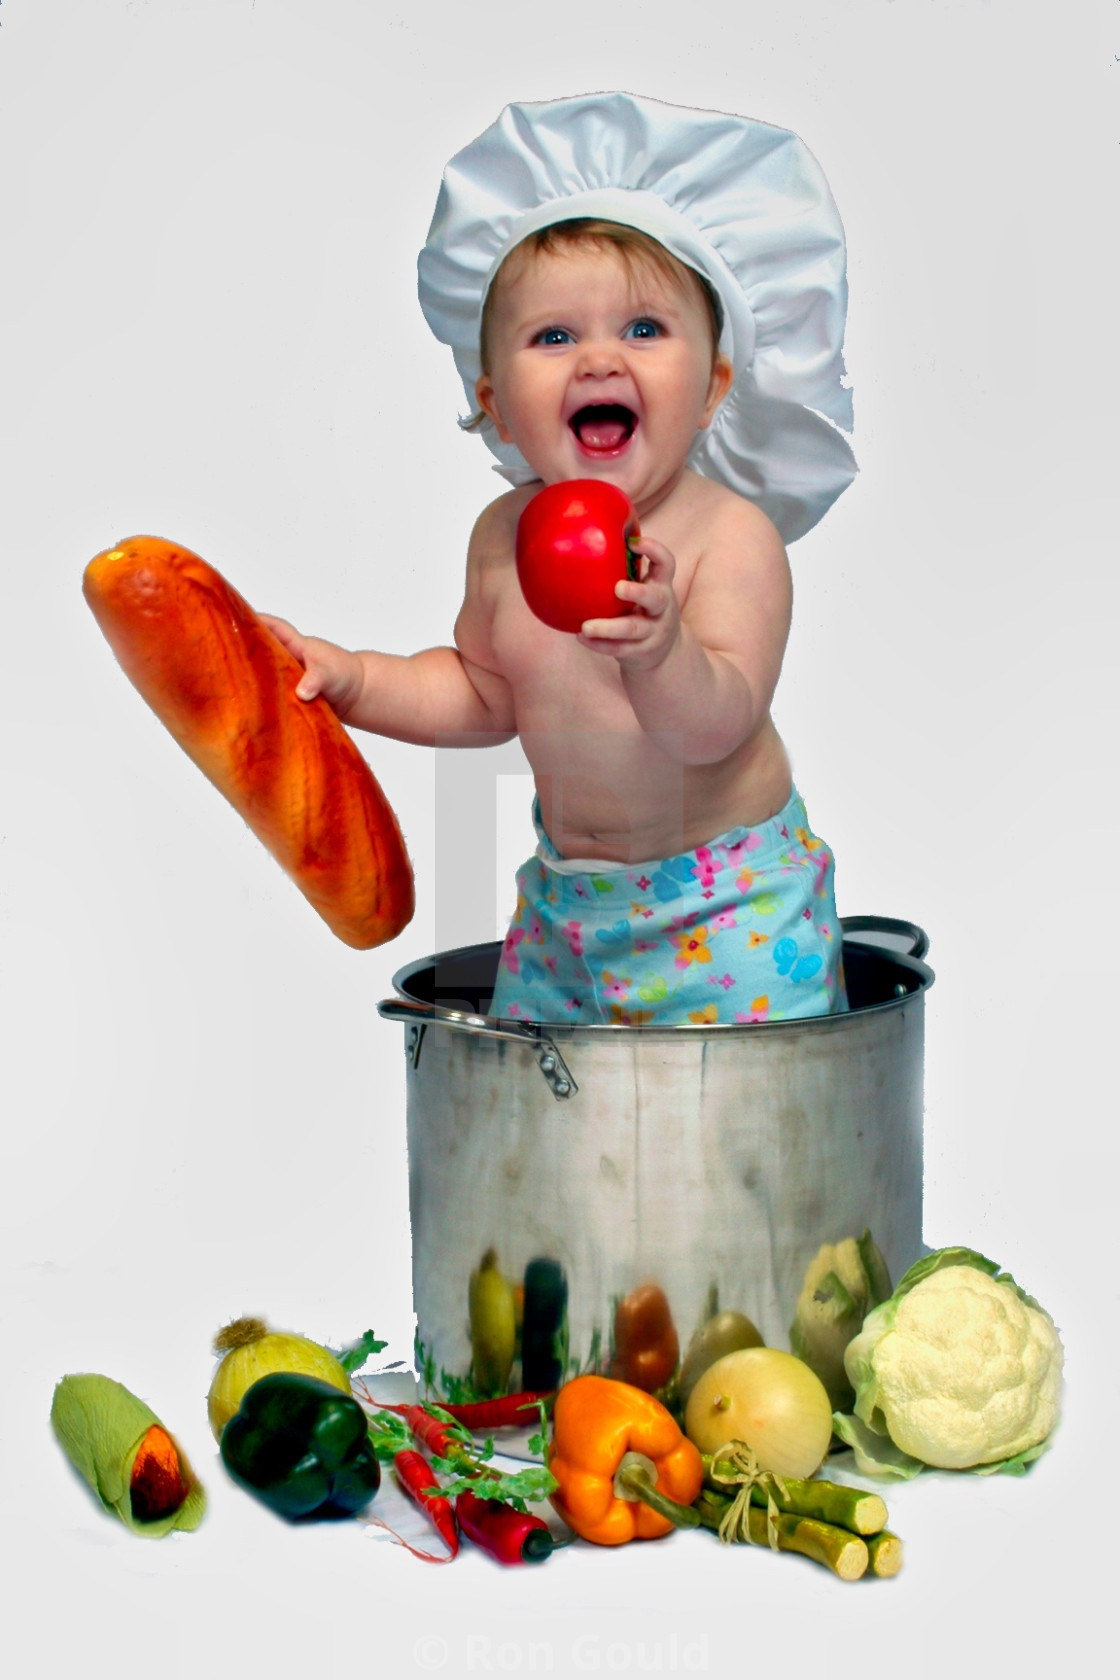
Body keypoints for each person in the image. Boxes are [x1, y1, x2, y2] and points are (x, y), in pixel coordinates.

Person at [263, 93, 858, 1026]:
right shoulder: (504, 539)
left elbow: (718, 726)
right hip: (567, 915)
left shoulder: (730, 537)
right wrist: (354, 681)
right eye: (553, 336)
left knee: (740, 1150)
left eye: (645, 329)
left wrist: (663, 651)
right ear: (496, 404)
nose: (597, 359)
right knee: (559, 1150)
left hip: (730, 908)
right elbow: (482, 693)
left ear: (714, 388)